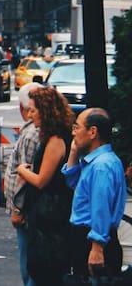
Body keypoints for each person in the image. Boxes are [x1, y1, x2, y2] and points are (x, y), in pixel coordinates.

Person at [15, 85, 74, 285]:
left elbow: (42, 181)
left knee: (44, 269)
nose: (30, 115)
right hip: (50, 212)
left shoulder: (55, 140)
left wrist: (22, 170)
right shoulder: (53, 136)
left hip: (50, 215)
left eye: (33, 110)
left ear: (46, 111)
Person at [61, 107, 127, 280]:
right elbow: (74, 183)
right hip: (89, 237)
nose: (73, 132)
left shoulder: (101, 166)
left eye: (77, 127)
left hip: (93, 239)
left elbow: (101, 207)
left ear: (92, 132)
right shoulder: (97, 161)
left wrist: (97, 248)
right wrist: (74, 152)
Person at [4, 82, 42, 286]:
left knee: (28, 264)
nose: (30, 114)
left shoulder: (31, 134)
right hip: (30, 209)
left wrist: (17, 210)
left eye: (33, 110)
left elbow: (25, 176)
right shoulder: (33, 131)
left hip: (26, 211)